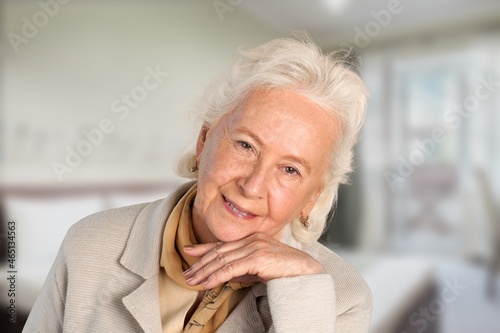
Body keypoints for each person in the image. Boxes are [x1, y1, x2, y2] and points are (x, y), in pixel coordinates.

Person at [24, 34, 372, 333]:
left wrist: (301, 292)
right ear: (204, 142)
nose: (252, 187)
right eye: (245, 145)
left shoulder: (343, 298)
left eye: (290, 170)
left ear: (313, 197)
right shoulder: (89, 244)